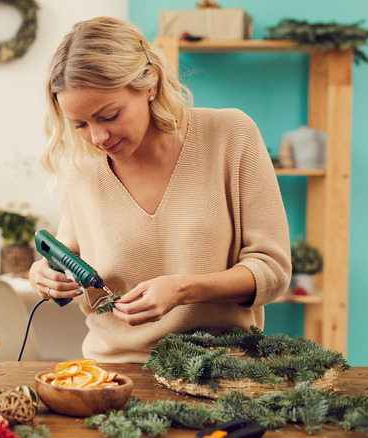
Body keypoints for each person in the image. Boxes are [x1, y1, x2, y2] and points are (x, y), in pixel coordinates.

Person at [28, 17, 291, 363]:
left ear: (149, 83)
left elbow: (272, 272)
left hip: (221, 370)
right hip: (113, 373)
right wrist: (45, 276)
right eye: (80, 125)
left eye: (109, 116)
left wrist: (182, 290)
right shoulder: (84, 173)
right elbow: (70, 265)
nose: (97, 138)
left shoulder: (230, 136)